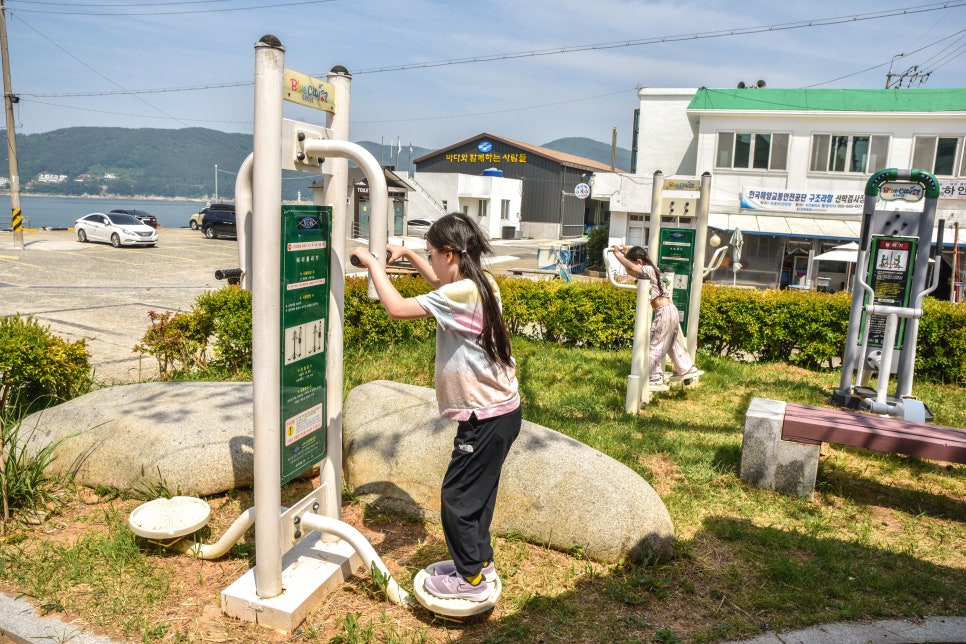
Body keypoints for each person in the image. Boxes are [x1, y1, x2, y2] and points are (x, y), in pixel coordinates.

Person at [350, 213, 520, 603]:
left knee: (457, 499)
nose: (431, 260)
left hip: (485, 415)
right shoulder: (478, 282)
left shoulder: (461, 293)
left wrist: (375, 265)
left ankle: (470, 582)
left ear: (449, 254)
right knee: (478, 496)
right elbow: (438, 282)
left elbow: (396, 308)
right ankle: (478, 563)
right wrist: (409, 253)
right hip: (499, 411)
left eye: (431, 252)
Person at [611, 244, 702, 386]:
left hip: (664, 313)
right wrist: (624, 253)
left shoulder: (647, 269)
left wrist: (617, 255)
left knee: (654, 346)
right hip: (671, 310)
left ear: (639, 261)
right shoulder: (653, 270)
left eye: (634, 262)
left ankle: (654, 378)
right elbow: (631, 270)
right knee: (672, 345)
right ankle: (686, 368)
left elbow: (633, 268)